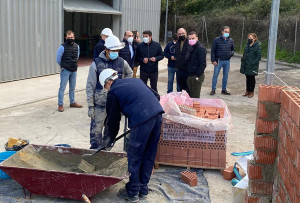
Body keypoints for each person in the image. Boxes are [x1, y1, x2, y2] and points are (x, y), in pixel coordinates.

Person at [100, 69, 164, 202]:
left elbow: (113, 119)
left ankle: (133, 192)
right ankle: (143, 189)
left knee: (135, 155)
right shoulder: (135, 80)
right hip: (157, 115)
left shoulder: (113, 92)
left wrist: (110, 138)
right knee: (149, 153)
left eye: (105, 86)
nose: (106, 89)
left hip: (142, 120)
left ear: (108, 82)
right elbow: (156, 96)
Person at [86, 35, 133, 149]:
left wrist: (123, 85)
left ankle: (106, 151)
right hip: (100, 104)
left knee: (110, 129)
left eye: (117, 51)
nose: (116, 53)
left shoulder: (122, 62)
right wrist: (90, 106)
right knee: (96, 129)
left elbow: (130, 73)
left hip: (114, 105)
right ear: (106, 50)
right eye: (113, 51)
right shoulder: (96, 64)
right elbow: (90, 85)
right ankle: (95, 150)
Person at [56, 30, 82, 112]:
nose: (70, 39)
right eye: (68, 37)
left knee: (72, 87)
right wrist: (63, 66)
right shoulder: (62, 47)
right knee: (62, 88)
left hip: (74, 70)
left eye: (71, 37)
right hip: (65, 70)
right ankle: (60, 104)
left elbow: (77, 57)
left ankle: (72, 102)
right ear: (65, 37)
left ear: (74, 37)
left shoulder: (77, 47)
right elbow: (58, 59)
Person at [210, 26, 235, 95]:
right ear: (222, 32)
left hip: (227, 61)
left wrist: (231, 54)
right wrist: (213, 60)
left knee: (225, 76)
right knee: (215, 75)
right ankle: (213, 89)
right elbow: (213, 51)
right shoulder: (217, 40)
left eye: (228, 32)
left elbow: (233, 49)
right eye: (225, 31)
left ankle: (223, 89)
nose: (227, 33)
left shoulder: (231, 40)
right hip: (218, 60)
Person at [186, 31, 207, 98]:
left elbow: (203, 64)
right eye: (190, 39)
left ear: (197, 38)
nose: (191, 40)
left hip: (196, 75)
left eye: (193, 38)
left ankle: (196, 109)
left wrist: (197, 76)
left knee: (195, 97)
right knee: (191, 95)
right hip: (190, 74)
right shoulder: (190, 48)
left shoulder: (201, 49)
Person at [240, 33, 262, 98]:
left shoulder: (257, 46)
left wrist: (252, 62)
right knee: (247, 78)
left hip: (252, 65)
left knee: (252, 78)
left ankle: (251, 92)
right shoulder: (247, 45)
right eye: (249, 37)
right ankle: (247, 91)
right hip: (246, 64)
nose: (249, 39)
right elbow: (245, 54)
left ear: (254, 39)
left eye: (251, 38)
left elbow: (258, 57)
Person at [175, 28, 190, 93]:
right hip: (179, 69)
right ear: (177, 35)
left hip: (187, 70)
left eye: (183, 33)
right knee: (180, 88)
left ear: (186, 34)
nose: (181, 35)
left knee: (188, 88)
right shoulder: (177, 44)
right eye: (179, 34)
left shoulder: (190, 43)